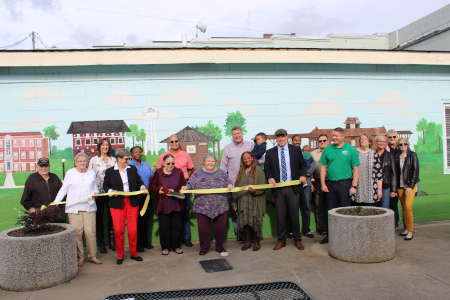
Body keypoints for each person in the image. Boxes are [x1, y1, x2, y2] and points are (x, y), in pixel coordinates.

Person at [53, 152, 101, 266]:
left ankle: (92, 256)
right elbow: (63, 190)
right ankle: (80, 257)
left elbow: (96, 188)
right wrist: (55, 202)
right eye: (79, 161)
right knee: (77, 233)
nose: (82, 163)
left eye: (84, 161)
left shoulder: (91, 173)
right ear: (75, 162)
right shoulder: (70, 173)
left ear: (87, 162)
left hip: (89, 207)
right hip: (74, 208)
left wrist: (95, 193)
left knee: (90, 233)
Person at [264, 129, 307, 251]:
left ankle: (298, 240)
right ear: (276, 139)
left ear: (287, 137)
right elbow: (267, 168)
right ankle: (281, 240)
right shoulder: (270, 152)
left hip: (293, 188)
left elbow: (303, 165)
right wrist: (270, 177)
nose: (281, 139)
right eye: (278, 137)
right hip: (278, 189)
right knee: (280, 216)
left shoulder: (295, 150)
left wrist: (303, 175)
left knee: (294, 215)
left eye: (283, 136)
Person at [183, 154, 233, 256]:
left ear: (215, 163)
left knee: (221, 229)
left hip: (220, 205)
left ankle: (219, 247)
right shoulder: (197, 173)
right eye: (208, 161)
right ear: (204, 162)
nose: (210, 163)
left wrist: (230, 185)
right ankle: (204, 248)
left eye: (212, 161)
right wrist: (186, 187)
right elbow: (190, 184)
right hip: (202, 206)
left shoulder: (222, 173)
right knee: (203, 229)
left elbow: (229, 182)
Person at [103, 148, 146, 265]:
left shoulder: (132, 169)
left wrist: (142, 187)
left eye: (129, 158)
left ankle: (134, 253)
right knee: (119, 230)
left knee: (133, 231)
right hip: (117, 203)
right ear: (119, 159)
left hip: (132, 202)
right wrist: (111, 190)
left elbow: (139, 181)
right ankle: (120, 255)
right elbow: (105, 185)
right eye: (126, 159)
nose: (128, 161)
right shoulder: (110, 171)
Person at [319, 127, 360, 244]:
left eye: (336, 136)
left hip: (345, 184)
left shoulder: (351, 150)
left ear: (343, 136)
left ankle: (346, 237)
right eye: (333, 135)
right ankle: (330, 236)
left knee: (345, 211)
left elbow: (355, 169)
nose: (334, 138)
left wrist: (354, 186)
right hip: (330, 185)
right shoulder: (327, 149)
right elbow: (323, 167)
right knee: (330, 211)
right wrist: (322, 183)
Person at [157, 134, 195, 247]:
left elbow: (191, 169)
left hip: (183, 187)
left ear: (179, 142)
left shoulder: (185, 155)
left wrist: (184, 180)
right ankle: (171, 239)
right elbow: (159, 171)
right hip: (168, 188)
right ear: (169, 143)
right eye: (172, 142)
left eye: (176, 141)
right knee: (170, 213)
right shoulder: (163, 156)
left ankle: (186, 237)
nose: (174, 143)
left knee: (185, 211)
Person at [220, 126, 254, 239]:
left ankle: (251, 234)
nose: (237, 135)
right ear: (232, 136)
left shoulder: (250, 145)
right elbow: (223, 168)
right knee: (236, 211)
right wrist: (226, 183)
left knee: (250, 209)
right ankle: (240, 234)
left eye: (238, 133)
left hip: (250, 184)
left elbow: (260, 160)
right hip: (234, 186)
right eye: (234, 134)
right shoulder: (227, 148)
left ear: (242, 134)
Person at [150, 154, 186, 255]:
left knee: (177, 227)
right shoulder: (158, 173)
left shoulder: (179, 172)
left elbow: (183, 185)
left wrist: (175, 190)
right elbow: (152, 186)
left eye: (172, 163)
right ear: (163, 163)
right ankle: (165, 247)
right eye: (168, 163)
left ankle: (176, 246)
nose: (171, 165)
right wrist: (159, 190)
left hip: (176, 204)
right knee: (164, 227)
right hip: (163, 204)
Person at [232, 152, 267, 251]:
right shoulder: (241, 171)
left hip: (255, 200)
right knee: (245, 222)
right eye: (244, 159)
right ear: (242, 160)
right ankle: (247, 242)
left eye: (248, 158)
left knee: (255, 222)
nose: (247, 160)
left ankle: (256, 243)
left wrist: (255, 191)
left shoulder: (258, 170)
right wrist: (234, 202)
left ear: (252, 158)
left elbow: (263, 187)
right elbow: (237, 187)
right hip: (243, 201)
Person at [88, 138, 117, 253]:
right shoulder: (94, 160)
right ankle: (101, 243)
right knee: (99, 218)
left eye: (107, 145)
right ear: (99, 146)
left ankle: (111, 242)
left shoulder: (113, 159)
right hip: (98, 193)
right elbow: (90, 176)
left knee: (112, 217)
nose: (105, 147)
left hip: (110, 192)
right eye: (103, 145)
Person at [21, 157, 66, 223]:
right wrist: (31, 208)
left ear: (49, 167)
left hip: (57, 214)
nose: (44, 168)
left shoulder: (54, 177)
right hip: (40, 214)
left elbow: (63, 193)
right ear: (37, 167)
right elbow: (25, 198)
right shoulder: (32, 178)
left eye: (46, 166)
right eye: (41, 166)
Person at [128, 146, 154, 252]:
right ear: (131, 154)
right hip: (136, 197)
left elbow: (152, 178)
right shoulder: (129, 166)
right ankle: (138, 245)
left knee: (145, 221)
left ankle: (145, 242)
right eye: (135, 152)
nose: (138, 154)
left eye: (139, 152)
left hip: (147, 196)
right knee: (137, 222)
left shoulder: (146, 165)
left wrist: (149, 187)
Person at [394, 137, 420, 241]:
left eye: (405, 144)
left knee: (408, 207)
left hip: (409, 185)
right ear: (398, 146)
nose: (403, 146)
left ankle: (410, 231)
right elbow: (395, 172)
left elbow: (415, 171)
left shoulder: (412, 155)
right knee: (404, 208)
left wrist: (410, 186)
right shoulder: (396, 156)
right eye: (401, 144)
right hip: (400, 186)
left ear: (408, 145)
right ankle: (406, 228)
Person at [351, 133, 382, 206]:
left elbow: (379, 174)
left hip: (371, 190)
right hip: (357, 189)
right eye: (361, 139)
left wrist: (379, 190)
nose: (363, 140)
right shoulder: (354, 153)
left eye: (365, 139)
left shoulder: (374, 154)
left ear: (370, 142)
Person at [311, 134, 329, 235]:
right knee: (319, 205)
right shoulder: (313, 154)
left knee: (330, 205)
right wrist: (312, 183)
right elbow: (309, 169)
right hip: (317, 181)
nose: (322, 142)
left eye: (324, 140)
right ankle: (321, 227)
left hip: (330, 181)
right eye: (320, 141)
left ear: (328, 141)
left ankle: (331, 226)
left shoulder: (332, 151)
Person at [375, 135, 398, 209]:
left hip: (385, 185)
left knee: (384, 207)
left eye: (383, 142)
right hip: (374, 186)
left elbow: (394, 173)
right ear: (376, 142)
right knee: (375, 208)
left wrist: (394, 189)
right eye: (379, 141)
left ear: (385, 143)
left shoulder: (390, 156)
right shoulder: (372, 155)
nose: (381, 143)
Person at [301, 145, 316, 238]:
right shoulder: (300, 156)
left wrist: (302, 175)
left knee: (307, 206)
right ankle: (292, 230)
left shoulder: (310, 157)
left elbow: (313, 167)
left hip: (307, 184)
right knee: (292, 207)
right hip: (296, 183)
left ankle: (306, 229)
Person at [387, 129, 401, 228]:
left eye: (394, 137)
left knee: (404, 206)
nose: (392, 139)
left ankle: (405, 225)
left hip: (401, 181)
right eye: (390, 137)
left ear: (397, 137)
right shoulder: (385, 149)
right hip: (389, 180)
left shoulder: (402, 148)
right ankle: (393, 224)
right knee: (392, 204)